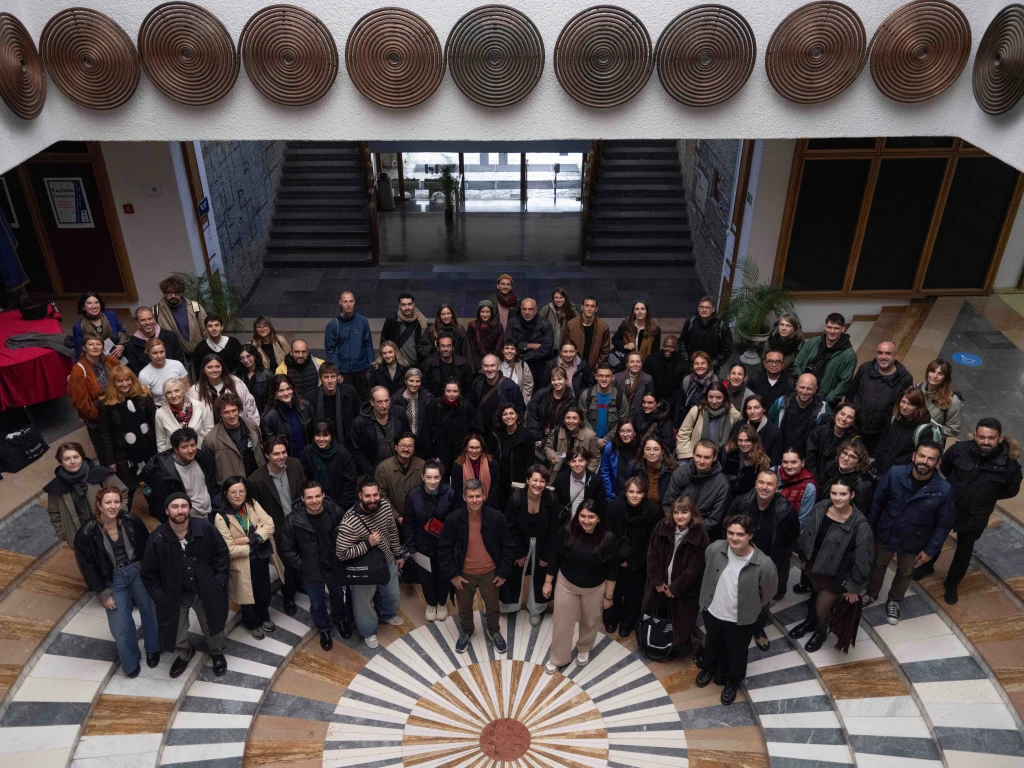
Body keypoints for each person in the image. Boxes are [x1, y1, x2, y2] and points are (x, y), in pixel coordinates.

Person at [926, 419, 1022, 604]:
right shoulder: (959, 450)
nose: (986, 442)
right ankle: (927, 566)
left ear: (1000, 438)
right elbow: (945, 467)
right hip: (950, 506)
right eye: (982, 437)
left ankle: (952, 584)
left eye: (991, 438)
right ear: (975, 436)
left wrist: (985, 496)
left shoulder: (1009, 466)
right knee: (936, 537)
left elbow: (1011, 490)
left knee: (964, 550)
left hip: (976, 513)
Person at [73, 487, 159, 677]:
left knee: (150, 609)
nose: (113, 506)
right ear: (99, 505)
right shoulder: (87, 533)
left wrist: (152, 574)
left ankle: (153, 648)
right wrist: (103, 593)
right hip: (113, 579)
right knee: (120, 626)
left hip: (137, 570)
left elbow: (147, 546)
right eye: (108, 503)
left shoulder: (131, 520)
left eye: (116, 502)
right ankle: (130, 663)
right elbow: (87, 567)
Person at [141, 492, 229, 678]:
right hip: (175, 594)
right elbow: (149, 573)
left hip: (204, 589)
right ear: (167, 510)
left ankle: (217, 652)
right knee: (176, 632)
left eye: (183, 506)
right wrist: (160, 598)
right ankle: (185, 653)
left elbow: (221, 553)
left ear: (189, 508)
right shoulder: (157, 539)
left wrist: (219, 581)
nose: (179, 510)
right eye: (175, 506)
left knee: (212, 624)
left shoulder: (205, 528)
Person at [865, 441, 954, 624]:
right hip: (886, 533)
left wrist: (931, 550)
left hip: (915, 541)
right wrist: (869, 531)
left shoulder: (944, 490)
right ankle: (871, 593)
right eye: (922, 456)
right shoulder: (895, 474)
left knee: (905, 573)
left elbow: (943, 524)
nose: (924, 461)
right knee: (878, 565)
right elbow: (877, 503)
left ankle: (894, 600)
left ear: (937, 463)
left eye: (931, 459)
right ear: (914, 456)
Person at [695, 515, 778, 704]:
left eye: (740, 534)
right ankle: (708, 667)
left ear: (750, 535)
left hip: (741, 619)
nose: (734, 538)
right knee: (712, 643)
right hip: (713, 611)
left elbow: (767, 593)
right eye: (730, 533)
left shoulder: (764, 564)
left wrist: (751, 607)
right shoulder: (715, 549)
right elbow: (707, 568)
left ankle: (733, 681)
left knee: (737, 652)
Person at [787, 477, 874, 652]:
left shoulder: (859, 524)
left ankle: (820, 632)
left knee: (822, 606)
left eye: (843, 494)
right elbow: (809, 533)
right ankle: (809, 623)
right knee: (814, 596)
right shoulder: (822, 507)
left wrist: (854, 587)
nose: (837, 498)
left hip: (836, 576)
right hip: (814, 567)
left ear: (852, 495)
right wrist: (804, 557)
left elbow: (864, 559)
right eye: (834, 493)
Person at [438, 479, 513, 653]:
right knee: (464, 608)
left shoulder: (497, 518)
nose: (475, 500)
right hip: (463, 574)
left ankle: (494, 631)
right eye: (470, 496)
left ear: (484, 496)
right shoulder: (453, 520)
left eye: (478, 496)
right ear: (464, 497)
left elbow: (508, 547)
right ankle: (466, 631)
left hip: (490, 573)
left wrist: (503, 573)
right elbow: (444, 550)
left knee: (493, 607)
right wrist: (453, 575)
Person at [542, 499, 617, 673]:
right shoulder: (567, 531)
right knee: (562, 621)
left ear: (598, 518)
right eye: (582, 516)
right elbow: (555, 557)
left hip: (595, 588)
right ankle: (558, 657)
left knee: (591, 621)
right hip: (566, 584)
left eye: (591, 517)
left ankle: (584, 649)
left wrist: (608, 597)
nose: (586, 520)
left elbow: (612, 571)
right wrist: (548, 582)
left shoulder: (609, 539)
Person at [727, 470, 799, 644]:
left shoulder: (785, 510)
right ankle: (733, 623)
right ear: (755, 483)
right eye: (761, 482)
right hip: (739, 559)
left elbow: (791, 539)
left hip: (767, 563)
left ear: (777, 488)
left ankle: (758, 628)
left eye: (770, 484)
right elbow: (728, 524)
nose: (764, 487)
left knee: (762, 598)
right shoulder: (742, 502)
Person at [278, 480, 350, 649]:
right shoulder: (293, 520)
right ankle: (324, 628)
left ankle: (339, 620)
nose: (315, 500)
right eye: (310, 497)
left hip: (333, 565)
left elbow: (348, 532)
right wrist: (302, 565)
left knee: (338, 595)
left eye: (318, 496)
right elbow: (285, 548)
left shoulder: (334, 511)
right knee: (317, 603)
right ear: (302, 499)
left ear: (323, 495)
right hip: (311, 570)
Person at [335, 476, 404, 648]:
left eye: (375, 495)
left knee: (392, 594)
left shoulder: (386, 507)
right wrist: (367, 543)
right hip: (364, 570)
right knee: (363, 603)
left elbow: (392, 531)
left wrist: (398, 553)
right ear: (360, 495)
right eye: (368, 496)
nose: (373, 500)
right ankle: (368, 631)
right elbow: (342, 553)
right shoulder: (349, 521)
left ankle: (386, 614)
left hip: (386, 560)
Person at [214, 477, 279, 639]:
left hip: (260, 556)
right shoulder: (220, 517)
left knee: (263, 589)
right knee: (247, 594)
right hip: (242, 562)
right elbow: (229, 548)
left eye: (241, 491)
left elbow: (270, 524)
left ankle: (264, 615)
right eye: (233, 492)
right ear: (226, 495)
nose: (238, 495)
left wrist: (250, 539)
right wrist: (254, 542)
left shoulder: (252, 504)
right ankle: (251, 622)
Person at [644, 496, 710, 656]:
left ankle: (675, 648)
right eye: (676, 512)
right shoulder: (663, 525)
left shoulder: (700, 534)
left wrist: (675, 588)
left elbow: (695, 568)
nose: (680, 516)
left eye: (685, 512)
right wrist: (658, 582)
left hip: (684, 590)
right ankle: (652, 643)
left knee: (680, 622)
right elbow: (652, 554)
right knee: (656, 616)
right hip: (659, 586)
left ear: (692, 513)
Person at [248, 435, 305, 614]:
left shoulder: (295, 465)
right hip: (279, 529)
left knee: (302, 556)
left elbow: (303, 491)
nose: (281, 457)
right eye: (276, 454)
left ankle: (301, 583)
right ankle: (288, 597)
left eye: (284, 452)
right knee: (287, 566)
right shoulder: (256, 480)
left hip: (299, 522)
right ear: (266, 455)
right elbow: (257, 510)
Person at [500, 465, 559, 624]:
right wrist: (518, 552)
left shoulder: (552, 500)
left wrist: (547, 554)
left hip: (543, 542)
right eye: (535, 480)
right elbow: (509, 527)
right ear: (527, 480)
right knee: (514, 574)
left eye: (542, 481)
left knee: (540, 576)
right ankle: (508, 606)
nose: (538, 484)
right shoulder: (516, 498)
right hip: (519, 542)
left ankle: (536, 609)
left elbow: (554, 529)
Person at [604, 475, 660, 637]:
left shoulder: (652, 511)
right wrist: (619, 560)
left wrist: (635, 561)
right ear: (625, 492)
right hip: (615, 559)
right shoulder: (614, 507)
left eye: (639, 492)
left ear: (644, 494)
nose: (635, 495)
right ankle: (611, 620)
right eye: (631, 491)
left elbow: (652, 540)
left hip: (639, 561)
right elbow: (609, 535)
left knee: (633, 594)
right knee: (613, 591)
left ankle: (627, 624)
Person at [403, 460, 458, 621]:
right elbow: (408, 524)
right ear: (423, 477)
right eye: (429, 477)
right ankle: (431, 604)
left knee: (443, 576)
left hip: (443, 546)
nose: (432, 481)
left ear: (441, 477)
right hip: (422, 546)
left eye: (436, 477)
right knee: (426, 578)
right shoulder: (413, 496)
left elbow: (455, 521)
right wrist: (411, 548)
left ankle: (441, 603)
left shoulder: (450, 493)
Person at [97, 365, 157, 507]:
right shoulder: (106, 404)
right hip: (124, 456)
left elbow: (154, 423)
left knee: (150, 484)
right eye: (119, 381)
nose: (124, 384)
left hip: (147, 452)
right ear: (113, 383)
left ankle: (155, 509)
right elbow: (106, 434)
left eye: (127, 379)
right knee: (127, 489)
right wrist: (111, 460)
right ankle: (125, 514)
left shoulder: (143, 397)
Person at [46, 441, 128, 543]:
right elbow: (54, 514)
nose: (73, 461)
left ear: (82, 457)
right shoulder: (56, 487)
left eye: (76, 457)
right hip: (82, 538)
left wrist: (119, 517)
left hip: (110, 529)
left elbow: (122, 493)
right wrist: (64, 534)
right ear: (61, 462)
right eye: (67, 459)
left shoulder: (100, 473)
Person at [846, 342, 913, 452]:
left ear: (896, 355)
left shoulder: (905, 379)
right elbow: (851, 392)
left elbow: (903, 406)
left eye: (888, 353)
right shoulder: (865, 369)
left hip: (880, 434)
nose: (883, 357)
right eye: (880, 353)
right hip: (855, 427)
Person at [144, 427, 219, 522]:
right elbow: (161, 506)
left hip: (210, 514)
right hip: (187, 522)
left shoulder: (202, 458)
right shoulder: (163, 473)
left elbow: (212, 486)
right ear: (175, 449)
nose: (190, 450)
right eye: (185, 447)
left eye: (192, 445)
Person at [664, 439, 733, 538]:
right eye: (698, 456)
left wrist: (689, 531)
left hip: (701, 535)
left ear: (714, 457)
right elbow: (668, 503)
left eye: (707, 457)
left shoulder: (722, 485)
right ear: (693, 454)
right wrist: (678, 526)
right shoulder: (680, 473)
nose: (701, 461)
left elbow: (715, 519)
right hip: (675, 528)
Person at [872, 387, 941, 475]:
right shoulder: (895, 417)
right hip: (879, 467)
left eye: (910, 404)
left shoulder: (923, 431)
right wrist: (876, 457)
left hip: (899, 473)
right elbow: (883, 439)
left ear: (918, 407)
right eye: (903, 402)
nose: (904, 407)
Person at [793, 313, 857, 408]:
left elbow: (845, 382)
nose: (832, 331)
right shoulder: (812, 342)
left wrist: (827, 400)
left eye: (836, 328)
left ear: (843, 329)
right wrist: (802, 386)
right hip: (801, 395)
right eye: (829, 327)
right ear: (825, 327)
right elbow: (797, 364)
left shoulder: (849, 355)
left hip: (824, 401)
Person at [69, 334, 122, 447]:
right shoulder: (78, 370)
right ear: (84, 347)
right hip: (98, 419)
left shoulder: (111, 361)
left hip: (118, 412)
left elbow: (124, 380)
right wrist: (101, 418)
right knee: (106, 452)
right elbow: (80, 402)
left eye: (98, 344)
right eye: (91, 344)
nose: (95, 347)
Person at [203, 392, 265, 484]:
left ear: (239, 410)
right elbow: (210, 470)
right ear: (220, 414)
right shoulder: (211, 440)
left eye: (234, 410)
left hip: (257, 480)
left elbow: (261, 448)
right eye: (226, 412)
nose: (231, 416)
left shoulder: (252, 426)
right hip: (233, 487)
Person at [351, 386, 412, 475]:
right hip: (374, 470)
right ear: (372, 402)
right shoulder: (359, 423)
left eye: (386, 401)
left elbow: (408, 436)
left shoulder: (399, 413)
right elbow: (355, 451)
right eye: (379, 402)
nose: (384, 405)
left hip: (400, 467)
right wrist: (372, 472)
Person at [325, 291, 374, 402]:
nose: (348, 304)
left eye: (351, 301)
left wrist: (370, 368)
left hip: (361, 370)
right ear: (340, 303)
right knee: (345, 400)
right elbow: (330, 350)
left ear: (354, 302)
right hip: (343, 371)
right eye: (345, 301)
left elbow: (368, 345)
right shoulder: (333, 325)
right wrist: (336, 372)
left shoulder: (362, 321)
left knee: (364, 400)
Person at [420, 380, 477, 472]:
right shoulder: (435, 405)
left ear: (459, 391)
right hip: (441, 450)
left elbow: (474, 428)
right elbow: (427, 430)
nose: (451, 394)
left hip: (460, 451)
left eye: (455, 391)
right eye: (448, 391)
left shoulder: (466, 406)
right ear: (444, 391)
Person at [768, 373, 828, 459]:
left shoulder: (823, 410)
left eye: (809, 389)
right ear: (796, 386)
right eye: (802, 387)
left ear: (815, 389)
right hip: (778, 455)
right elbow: (769, 427)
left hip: (804, 460)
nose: (804, 392)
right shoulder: (781, 403)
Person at [300, 420, 357, 510]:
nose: (321, 439)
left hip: (341, 504)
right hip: (315, 504)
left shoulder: (342, 453)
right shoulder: (307, 452)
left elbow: (351, 481)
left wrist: (342, 506)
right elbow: (305, 480)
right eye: (318, 435)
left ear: (331, 436)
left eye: (325, 435)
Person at [190, 354, 260, 426]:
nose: (214, 370)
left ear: (222, 367)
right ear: (203, 369)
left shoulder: (236, 383)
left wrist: (253, 428)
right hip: (211, 434)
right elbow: (194, 417)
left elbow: (250, 406)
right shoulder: (195, 390)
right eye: (209, 367)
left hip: (240, 430)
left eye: (217, 366)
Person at [469, 354, 525, 443]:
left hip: (503, 431)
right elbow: (472, 405)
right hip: (482, 431)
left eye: (492, 365)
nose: (489, 369)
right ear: (482, 368)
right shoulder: (477, 383)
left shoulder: (510, 386)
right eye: (486, 366)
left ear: (498, 367)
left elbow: (520, 408)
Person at [487, 404, 535, 508]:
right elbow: (489, 456)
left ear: (517, 415)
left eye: (511, 413)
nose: (508, 416)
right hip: (499, 481)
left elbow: (529, 461)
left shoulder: (527, 436)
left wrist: (526, 481)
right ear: (501, 417)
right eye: (505, 414)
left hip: (518, 482)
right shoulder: (496, 434)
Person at [676, 382, 741, 460]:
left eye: (718, 398)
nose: (714, 401)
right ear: (706, 397)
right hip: (697, 459)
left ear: (724, 397)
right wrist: (688, 457)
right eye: (710, 397)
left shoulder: (734, 415)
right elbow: (683, 434)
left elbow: (736, 440)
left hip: (722, 460)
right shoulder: (697, 411)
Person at [153, 275, 208, 364]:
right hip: (171, 356)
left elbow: (206, 332)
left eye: (177, 293)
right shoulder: (156, 311)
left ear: (182, 293)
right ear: (164, 293)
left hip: (196, 353)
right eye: (169, 293)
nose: (173, 296)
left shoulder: (195, 307)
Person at [375, 433, 425, 521]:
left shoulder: (422, 466)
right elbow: (381, 495)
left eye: (410, 446)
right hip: (390, 519)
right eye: (403, 445)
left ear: (414, 449)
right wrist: (396, 517)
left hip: (418, 518)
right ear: (396, 447)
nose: (406, 449)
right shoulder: (384, 468)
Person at [260, 374, 314, 456]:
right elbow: (271, 447)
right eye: (281, 391)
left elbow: (316, 432)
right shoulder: (268, 417)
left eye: (288, 389)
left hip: (309, 457)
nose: (286, 393)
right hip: (287, 462)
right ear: (275, 393)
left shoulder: (305, 405)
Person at [579, 363, 629, 450]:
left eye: (607, 376)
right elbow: (582, 419)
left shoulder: (620, 397)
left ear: (612, 377)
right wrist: (596, 439)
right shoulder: (586, 395)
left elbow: (623, 422)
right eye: (601, 376)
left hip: (612, 443)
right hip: (589, 442)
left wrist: (606, 439)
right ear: (596, 377)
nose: (604, 379)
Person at [527, 367, 574, 458]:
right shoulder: (542, 394)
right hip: (537, 438)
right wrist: (537, 437)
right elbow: (532, 414)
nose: (556, 382)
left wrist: (546, 442)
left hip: (558, 442)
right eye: (553, 380)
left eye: (559, 379)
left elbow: (568, 425)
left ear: (566, 380)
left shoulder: (571, 400)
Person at [806, 403, 859, 485]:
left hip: (831, 483)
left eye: (849, 417)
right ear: (836, 413)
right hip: (810, 477)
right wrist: (813, 478)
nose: (844, 419)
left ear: (853, 422)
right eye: (842, 414)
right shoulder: (820, 431)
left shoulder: (853, 442)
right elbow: (810, 455)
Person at [505, 297, 554, 384]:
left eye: (530, 309)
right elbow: (509, 346)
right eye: (524, 309)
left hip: (540, 368)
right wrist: (529, 345)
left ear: (536, 310)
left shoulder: (545, 325)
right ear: (520, 309)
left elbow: (547, 349)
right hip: (517, 366)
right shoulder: (512, 323)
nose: (527, 312)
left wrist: (524, 357)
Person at [156, 378, 212, 452]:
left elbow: (209, 430)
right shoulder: (160, 413)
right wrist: (164, 461)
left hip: (200, 452)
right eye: (169, 392)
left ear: (183, 391)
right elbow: (161, 441)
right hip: (175, 457)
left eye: (177, 391)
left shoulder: (198, 406)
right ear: (165, 395)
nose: (173, 395)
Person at [125, 306, 184, 376]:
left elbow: (179, 361)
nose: (147, 322)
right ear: (137, 322)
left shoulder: (170, 336)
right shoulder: (132, 344)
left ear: (154, 319)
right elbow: (135, 370)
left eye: (150, 319)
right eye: (143, 320)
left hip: (173, 378)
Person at [679, 297, 733, 372]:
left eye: (707, 307)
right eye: (702, 307)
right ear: (698, 308)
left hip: (711, 369)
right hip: (692, 366)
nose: (704, 310)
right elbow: (682, 341)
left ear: (713, 309)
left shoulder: (721, 327)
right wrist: (686, 357)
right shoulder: (690, 322)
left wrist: (712, 364)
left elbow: (726, 351)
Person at [311, 362, 359, 445]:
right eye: (326, 377)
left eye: (332, 376)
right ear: (321, 379)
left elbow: (358, 417)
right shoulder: (311, 397)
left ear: (337, 378)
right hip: (322, 444)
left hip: (348, 443)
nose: (330, 381)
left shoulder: (350, 392)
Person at [553, 448, 606, 522]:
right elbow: (555, 503)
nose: (577, 464)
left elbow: (601, 505)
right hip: (566, 524)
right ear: (568, 463)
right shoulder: (561, 478)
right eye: (573, 461)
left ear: (587, 462)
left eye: (581, 461)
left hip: (587, 523)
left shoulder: (595, 480)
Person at [816, 440, 874, 508]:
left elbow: (858, 511)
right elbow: (818, 485)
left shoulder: (862, 484)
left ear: (859, 463)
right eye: (845, 453)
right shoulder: (832, 466)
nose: (846, 458)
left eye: (852, 456)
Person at [72, 291, 129, 360]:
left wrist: (121, 345)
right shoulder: (78, 327)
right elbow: (79, 353)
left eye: (96, 302)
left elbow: (123, 333)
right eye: (89, 303)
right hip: (96, 362)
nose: (94, 306)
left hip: (118, 357)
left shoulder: (111, 316)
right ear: (83, 307)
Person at [917, 359, 964, 439]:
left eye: (940, 374)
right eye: (932, 371)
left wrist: (928, 431)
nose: (934, 376)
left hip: (929, 444)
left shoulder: (952, 401)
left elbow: (953, 429)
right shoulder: (916, 389)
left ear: (946, 377)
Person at [545, 406, 601, 474]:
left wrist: (588, 474)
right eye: (568, 418)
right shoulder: (557, 431)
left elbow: (595, 457)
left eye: (574, 418)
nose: (571, 421)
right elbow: (548, 447)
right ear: (564, 419)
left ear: (580, 420)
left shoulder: (590, 436)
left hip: (580, 474)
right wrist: (553, 457)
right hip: (559, 473)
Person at [623, 437, 676, 508]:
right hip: (638, 511)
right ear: (643, 452)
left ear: (662, 452)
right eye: (648, 449)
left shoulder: (671, 470)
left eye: (656, 449)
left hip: (664, 513)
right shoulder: (633, 468)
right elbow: (623, 491)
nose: (651, 453)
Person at [380, 292, 428, 368]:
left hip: (416, 363)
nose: (407, 307)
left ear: (413, 304)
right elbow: (384, 341)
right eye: (404, 305)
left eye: (409, 304)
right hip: (397, 364)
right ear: (399, 306)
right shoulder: (391, 320)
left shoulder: (420, 321)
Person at [139, 337, 190, 409]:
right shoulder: (144, 374)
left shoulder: (177, 364)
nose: (159, 356)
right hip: (161, 408)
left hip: (183, 405)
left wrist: (188, 406)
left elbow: (187, 388)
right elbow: (149, 401)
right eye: (155, 353)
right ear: (148, 354)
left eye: (161, 352)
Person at [563, 295, 611, 371]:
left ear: (596, 309)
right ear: (582, 307)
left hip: (592, 369)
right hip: (573, 367)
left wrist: (597, 365)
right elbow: (564, 346)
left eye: (592, 306)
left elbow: (605, 351)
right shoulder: (571, 324)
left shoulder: (603, 327)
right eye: (587, 305)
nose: (589, 309)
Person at [721, 425, 770, 495]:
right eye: (740, 440)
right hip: (725, 493)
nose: (743, 444)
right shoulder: (727, 452)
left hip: (745, 500)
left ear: (754, 442)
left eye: (747, 441)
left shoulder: (761, 461)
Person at [672, 351, 718, 426]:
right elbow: (679, 402)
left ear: (709, 365)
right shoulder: (687, 380)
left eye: (703, 363)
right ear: (693, 366)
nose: (699, 366)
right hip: (688, 420)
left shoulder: (716, 382)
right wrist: (676, 425)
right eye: (696, 364)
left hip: (708, 421)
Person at [736, 394, 782, 466]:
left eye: (756, 408)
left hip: (763, 471)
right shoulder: (738, 426)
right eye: (749, 408)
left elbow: (775, 461)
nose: (752, 411)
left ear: (764, 409)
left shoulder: (774, 431)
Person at [422, 333, 474, 399]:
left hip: (458, 403)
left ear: (453, 348)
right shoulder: (430, 364)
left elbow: (468, 387)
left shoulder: (462, 363)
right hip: (436, 403)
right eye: (443, 346)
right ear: (438, 348)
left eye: (449, 346)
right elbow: (425, 388)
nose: (446, 349)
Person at [191, 314, 242, 380]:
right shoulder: (200, 347)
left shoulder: (233, 343)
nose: (214, 329)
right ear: (206, 329)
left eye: (217, 325)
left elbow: (240, 365)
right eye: (210, 326)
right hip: (210, 384)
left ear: (222, 327)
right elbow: (199, 372)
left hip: (234, 381)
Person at [777, 448, 817, 529]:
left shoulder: (809, 488)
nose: (789, 466)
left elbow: (803, 519)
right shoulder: (774, 472)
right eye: (785, 462)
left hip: (788, 529)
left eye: (794, 462)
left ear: (802, 463)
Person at [612, 300, 661, 367]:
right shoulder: (626, 325)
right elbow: (615, 340)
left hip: (644, 364)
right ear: (633, 312)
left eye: (642, 309)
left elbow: (655, 352)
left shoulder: (655, 329)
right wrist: (625, 346)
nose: (640, 312)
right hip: (626, 363)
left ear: (647, 311)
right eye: (637, 309)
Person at [393, 368, 433, 448]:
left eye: (417, 381)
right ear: (405, 381)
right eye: (411, 381)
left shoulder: (428, 398)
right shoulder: (396, 399)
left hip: (423, 442)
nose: (414, 384)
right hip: (404, 442)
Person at [600, 418, 638, 501]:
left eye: (629, 431)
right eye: (622, 431)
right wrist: (609, 494)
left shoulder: (641, 448)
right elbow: (605, 472)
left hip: (636, 494)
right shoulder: (610, 447)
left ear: (634, 432)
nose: (625, 434)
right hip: (615, 492)